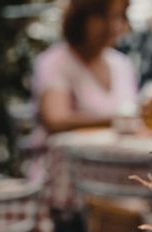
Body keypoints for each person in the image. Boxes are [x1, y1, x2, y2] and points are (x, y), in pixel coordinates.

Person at [31, 0, 138, 136]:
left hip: (118, 156)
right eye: (101, 16)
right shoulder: (55, 62)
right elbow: (55, 121)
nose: (112, 26)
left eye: (117, 16)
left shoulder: (122, 64)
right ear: (80, 19)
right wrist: (117, 120)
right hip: (64, 156)